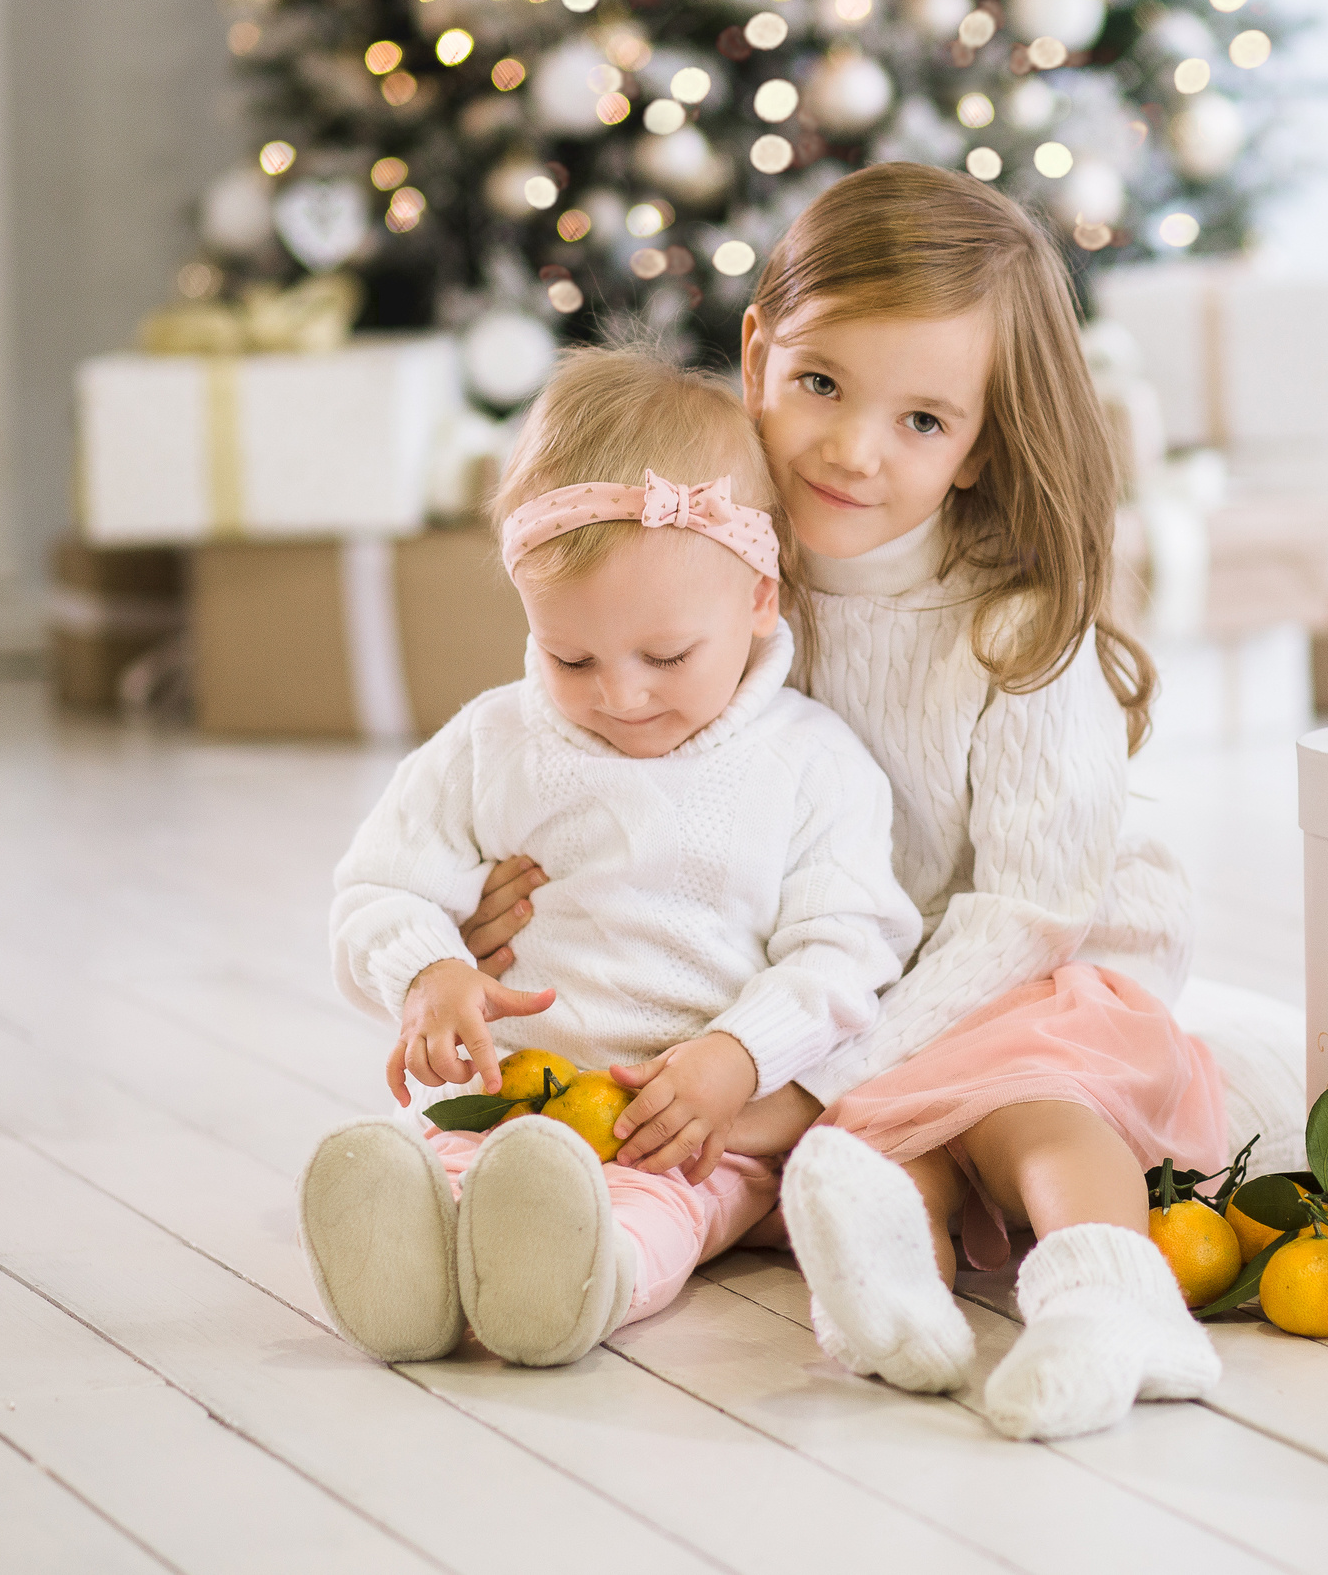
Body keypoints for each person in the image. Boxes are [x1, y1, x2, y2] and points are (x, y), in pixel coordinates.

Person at [464, 165, 1302, 1439]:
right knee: (870, 1154)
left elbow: (1025, 911)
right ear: (758, 355)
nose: (854, 449)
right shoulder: (721, 570)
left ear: (979, 446)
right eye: (821, 386)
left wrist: (820, 1072)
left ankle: (1111, 1300)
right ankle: (889, 1313)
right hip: (828, 968)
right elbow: (621, 751)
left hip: (1017, 958)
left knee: (1015, 1097)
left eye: (923, 421)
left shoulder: (1013, 630)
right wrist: (518, 889)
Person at [299, 348, 920, 1370]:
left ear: (759, 598)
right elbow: (380, 885)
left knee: (650, 1219)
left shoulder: (810, 766)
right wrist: (429, 972)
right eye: (570, 658)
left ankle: (574, 1283)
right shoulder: (496, 742)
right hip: (500, 1102)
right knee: (437, 1167)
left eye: (666, 658)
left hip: (681, 1132)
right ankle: (402, 1276)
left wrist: (739, 1057)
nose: (620, 696)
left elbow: (847, 952)